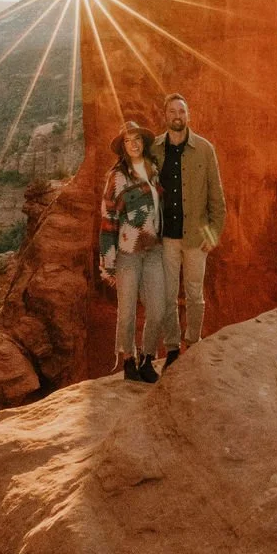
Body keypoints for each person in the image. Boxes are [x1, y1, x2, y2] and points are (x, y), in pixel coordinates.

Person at [150, 94, 226, 367]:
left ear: (188, 115)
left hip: (195, 237)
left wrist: (212, 235)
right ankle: (172, 349)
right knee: (169, 295)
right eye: (172, 111)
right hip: (166, 238)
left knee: (194, 294)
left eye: (181, 110)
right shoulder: (156, 149)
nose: (177, 115)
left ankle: (193, 342)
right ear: (166, 115)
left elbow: (216, 197)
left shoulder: (205, 149)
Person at [99, 120, 165, 382]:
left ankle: (148, 358)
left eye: (137, 139)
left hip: (154, 250)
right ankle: (129, 360)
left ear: (143, 143)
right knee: (127, 311)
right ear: (123, 147)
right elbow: (108, 220)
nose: (134, 144)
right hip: (128, 252)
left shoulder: (153, 171)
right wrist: (108, 262)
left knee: (157, 308)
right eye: (128, 141)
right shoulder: (116, 178)